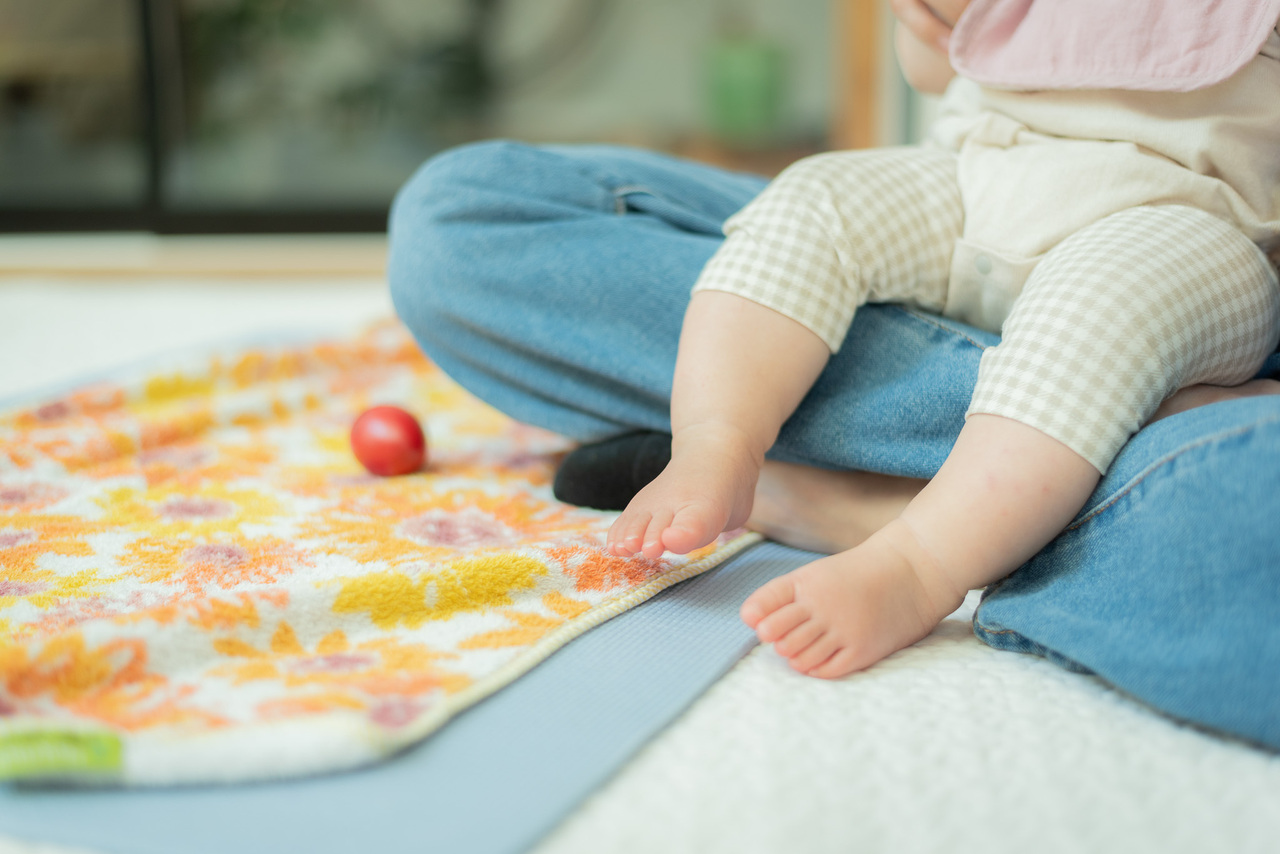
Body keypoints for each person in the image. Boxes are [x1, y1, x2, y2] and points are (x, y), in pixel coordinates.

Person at [387, 0, 1280, 747]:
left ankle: (919, 553)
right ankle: (723, 443)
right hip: (985, 178)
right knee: (807, 201)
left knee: (1101, 316)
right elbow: (939, 63)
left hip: (1192, 225)